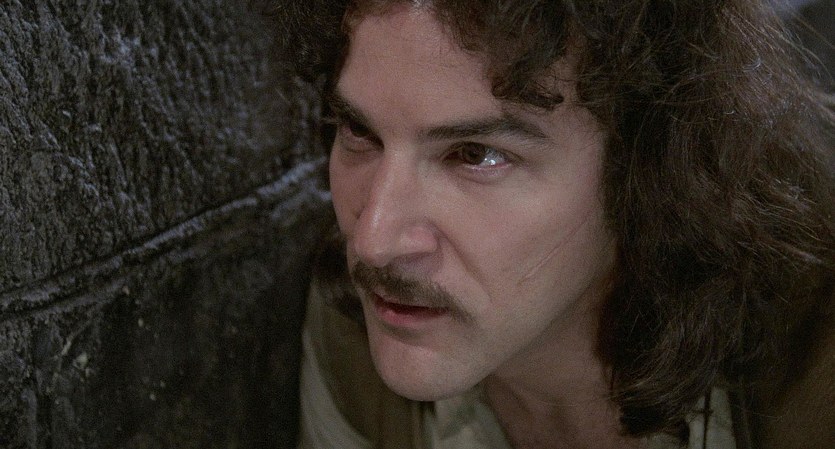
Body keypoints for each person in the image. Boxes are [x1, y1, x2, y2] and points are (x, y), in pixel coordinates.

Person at [269, 0, 835, 448]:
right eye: (360, 132)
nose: (373, 242)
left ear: (647, 168)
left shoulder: (812, 383)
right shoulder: (355, 328)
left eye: (475, 155)